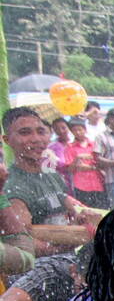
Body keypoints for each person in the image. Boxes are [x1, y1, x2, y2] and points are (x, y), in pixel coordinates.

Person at [2, 108, 94, 257]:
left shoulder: (51, 174)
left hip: (66, 260)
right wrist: (72, 242)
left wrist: (82, 218)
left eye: (41, 131)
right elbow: (23, 244)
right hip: (35, 271)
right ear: (7, 140)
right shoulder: (11, 186)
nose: (36, 139)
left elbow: (70, 213)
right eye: (25, 132)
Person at [65, 118, 109, 210]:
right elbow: (70, 169)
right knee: (86, 212)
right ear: (71, 132)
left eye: (80, 129)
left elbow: (101, 161)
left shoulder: (94, 144)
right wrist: (78, 158)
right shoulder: (69, 147)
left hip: (98, 183)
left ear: (85, 129)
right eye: (74, 130)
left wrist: (87, 167)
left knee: (103, 211)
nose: (78, 132)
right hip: (81, 186)